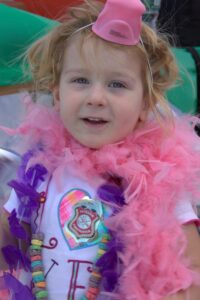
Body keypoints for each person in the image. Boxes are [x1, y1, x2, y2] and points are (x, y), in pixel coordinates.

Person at [0, 0, 200, 299]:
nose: (95, 97)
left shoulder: (160, 182)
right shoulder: (38, 169)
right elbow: (10, 237)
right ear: (57, 94)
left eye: (117, 84)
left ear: (145, 105)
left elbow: (190, 272)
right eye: (80, 80)